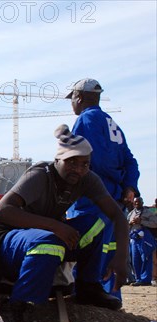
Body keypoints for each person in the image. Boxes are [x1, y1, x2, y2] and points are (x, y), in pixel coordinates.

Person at [0, 125, 129, 322]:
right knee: (49, 242)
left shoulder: (88, 179)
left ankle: (88, 287)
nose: (78, 169)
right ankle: (14, 306)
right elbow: (1, 211)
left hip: (44, 234)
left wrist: (121, 257)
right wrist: (55, 226)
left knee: (96, 223)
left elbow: (117, 215)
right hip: (10, 237)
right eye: (71, 162)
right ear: (57, 160)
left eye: (84, 164)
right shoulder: (40, 174)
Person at [66, 78, 140, 296]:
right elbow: (130, 160)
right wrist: (129, 186)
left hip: (93, 199)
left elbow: (89, 159)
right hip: (115, 200)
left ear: (79, 97)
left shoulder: (86, 120)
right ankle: (109, 298)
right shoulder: (112, 123)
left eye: (72, 98)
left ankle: (87, 296)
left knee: (87, 247)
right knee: (109, 249)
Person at [127, 197, 157, 286]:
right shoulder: (131, 214)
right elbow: (126, 226)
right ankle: (138, 279)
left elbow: (155, 223)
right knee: (135, 259)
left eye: (138, 202)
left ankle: (146, 280)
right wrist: (130, 223)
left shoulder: (148, 213)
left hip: (145, 239)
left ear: (142, 202)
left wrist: (142, 221)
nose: (137, 203)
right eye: (135, 202)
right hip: (134, 239)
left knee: (146, 258)